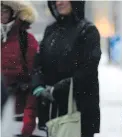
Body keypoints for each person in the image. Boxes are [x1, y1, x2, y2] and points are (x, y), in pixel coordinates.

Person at [31, 1, 101, 137]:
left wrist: (56, 90)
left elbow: (88, 71)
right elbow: (38, 64)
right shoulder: (50, 30)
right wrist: (38, 87)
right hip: (51, 111)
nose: (59, 2)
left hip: (77, 112)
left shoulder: (88, 31)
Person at [1, 1, 38, 137]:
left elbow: (34, 80)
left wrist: (28, 123)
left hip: (16, 113)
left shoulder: (26, 40)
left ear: (14, 13)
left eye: (4, 10)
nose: (1, 14)